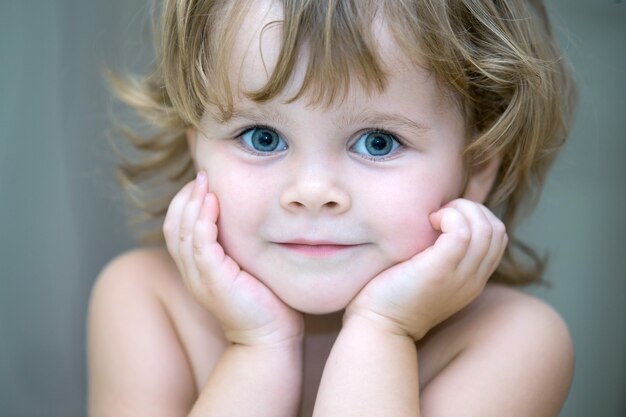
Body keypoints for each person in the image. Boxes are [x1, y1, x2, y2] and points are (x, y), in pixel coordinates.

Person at [88, 0, 577, 416]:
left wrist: (383, 330)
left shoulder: (515, 342)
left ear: (475, 168)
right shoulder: (143, 300)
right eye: (263, 137)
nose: (313, 190)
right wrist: (257, 345)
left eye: (378, 142)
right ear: (196, 146)